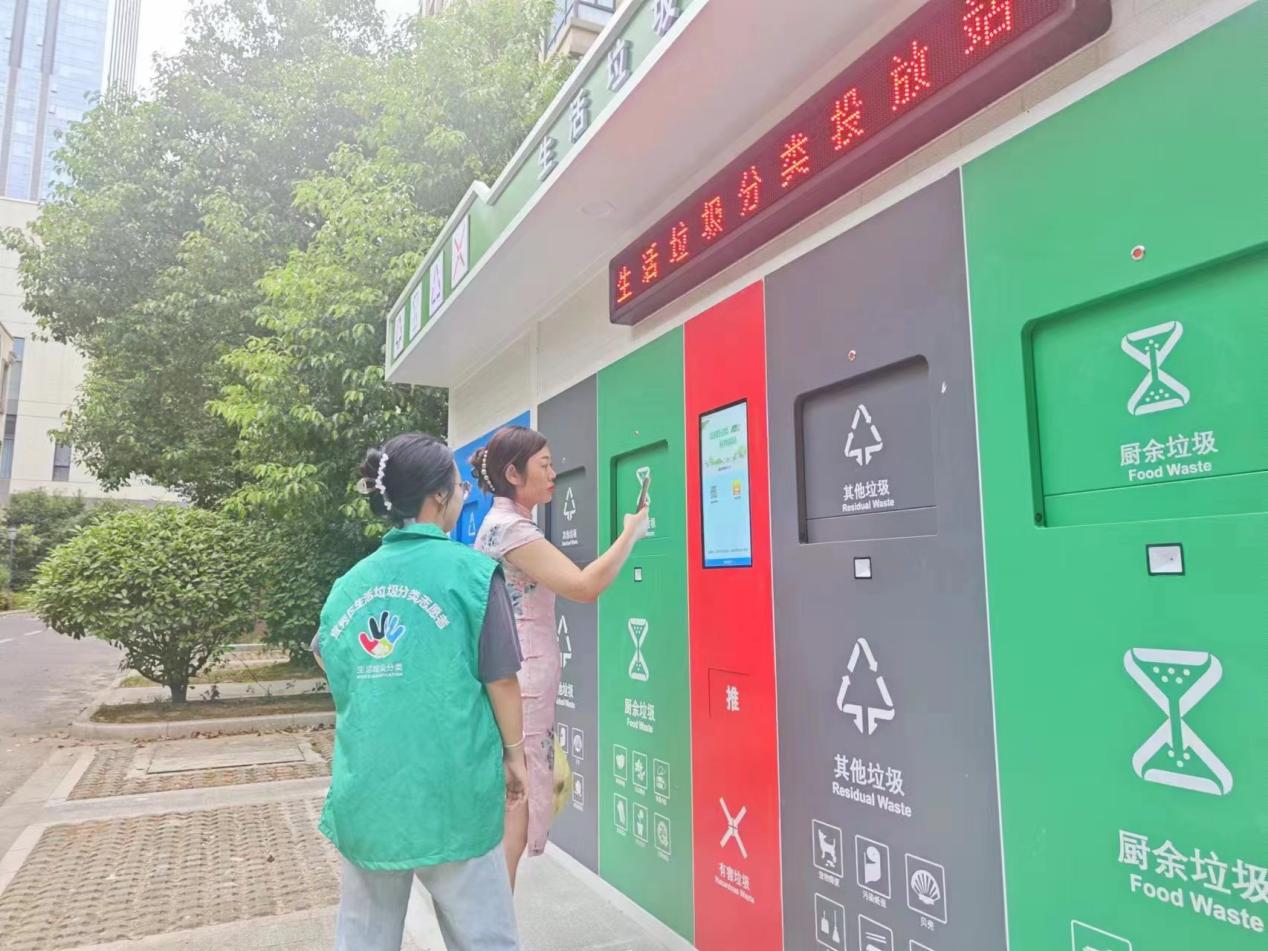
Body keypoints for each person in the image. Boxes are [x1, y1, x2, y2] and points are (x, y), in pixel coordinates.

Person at [311, 433, 528, 951]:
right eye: (459, 486)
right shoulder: (473, 573)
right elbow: (500, 677)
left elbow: (326, 654)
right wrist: (515, 756)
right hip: (454, 788)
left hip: (370, 792)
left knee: (363, 939)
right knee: (484, 938)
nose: (462, 494)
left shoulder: (349, 584)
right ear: (437, 496)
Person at [470, 425, 649, 888]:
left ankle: (493, 921)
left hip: (521, 680)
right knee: (514, 816)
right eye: (544, 465)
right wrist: (631, 533)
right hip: (523, 684)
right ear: (513, 473)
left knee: (516, 806)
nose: (553, 475)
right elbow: (584, 586)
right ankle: (495, 925)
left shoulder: (501, 524)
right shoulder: (513, 530)